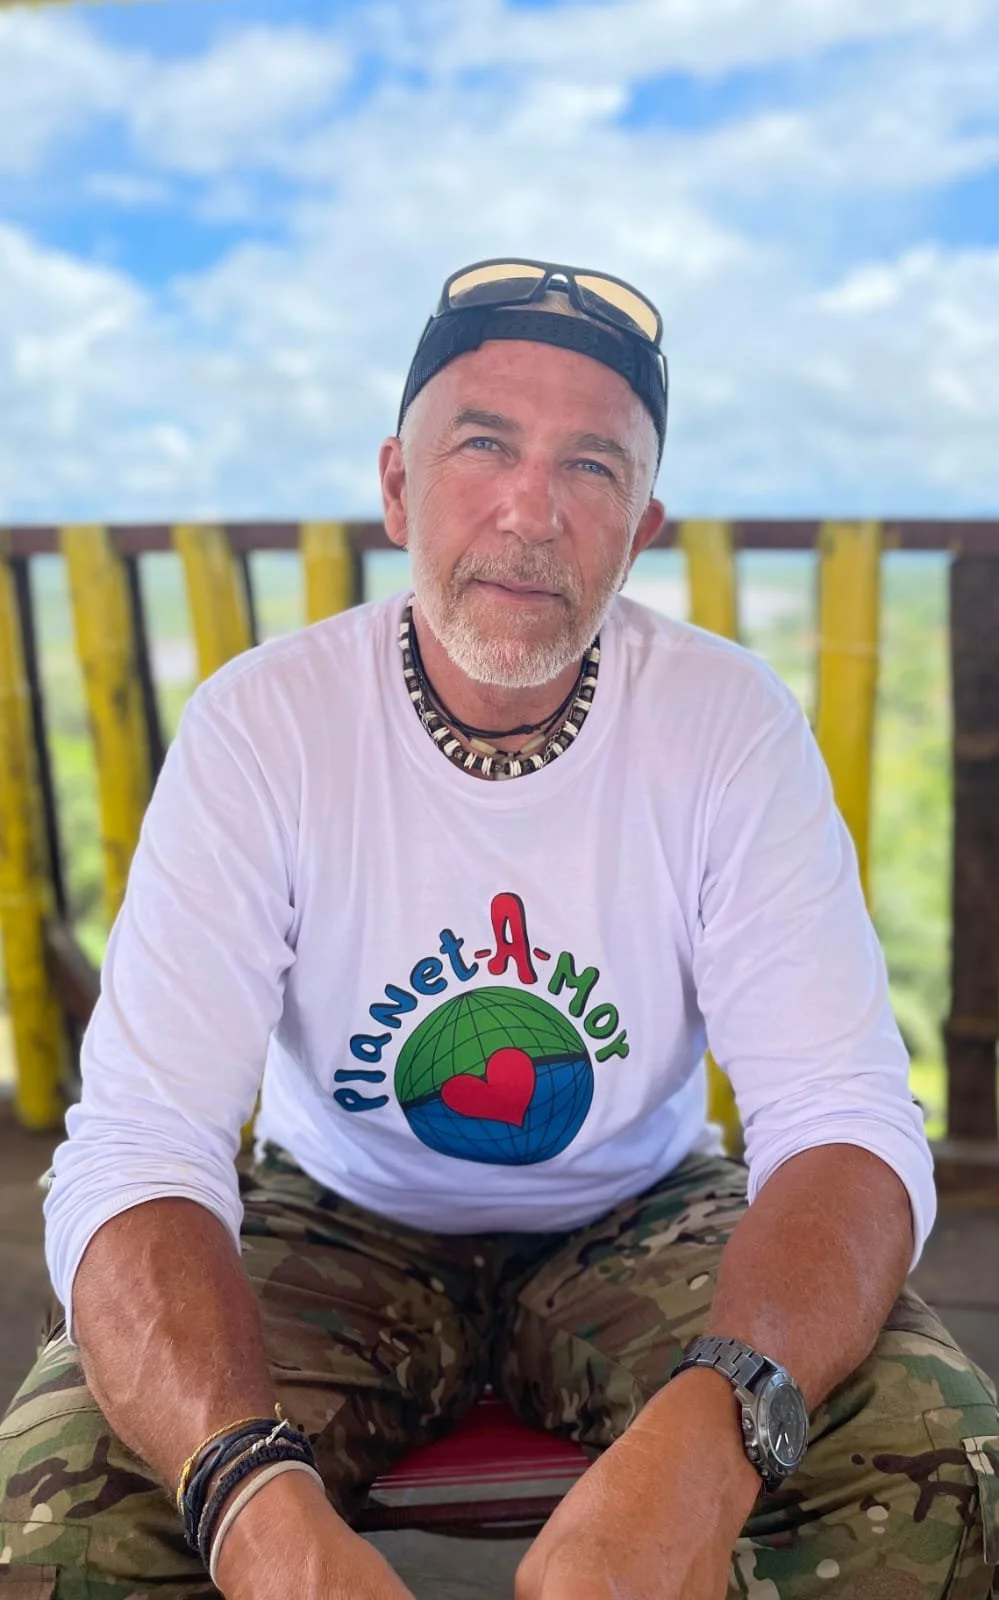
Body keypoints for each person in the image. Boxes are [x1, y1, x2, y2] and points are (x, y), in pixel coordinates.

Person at [1, 257, 996, 1600]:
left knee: (942, 1467)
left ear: (641, 527)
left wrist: (716, 1432)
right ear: (397, 487)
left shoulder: (725, 723)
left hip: (641, 1207)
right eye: (484, 446)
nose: (533, 510)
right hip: (331, 1208)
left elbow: (841, 1116)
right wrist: (249, 1508)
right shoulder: (264, 726)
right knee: (53, 1522)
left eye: (592, 466)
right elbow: (141, 1140)